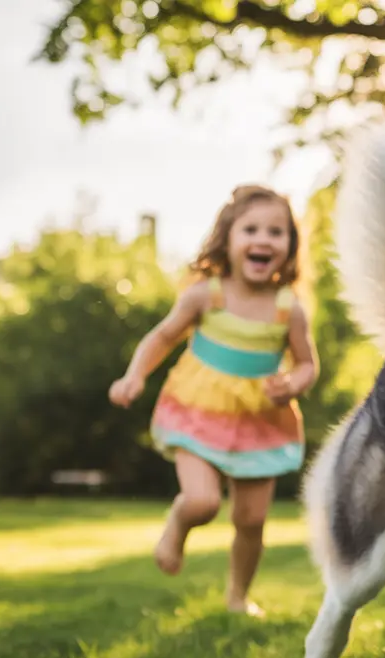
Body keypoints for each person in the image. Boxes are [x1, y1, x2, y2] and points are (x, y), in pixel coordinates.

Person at [109, 184, 318, 616]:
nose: (263, 239)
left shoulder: (288, 308)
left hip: (260, 421)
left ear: (290, 246)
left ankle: (238, 597)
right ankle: (178, 523)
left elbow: (307, 364)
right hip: (197, 412)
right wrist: (134, 376)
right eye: (252, 229)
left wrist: (294, 384)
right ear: (228, 239)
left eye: (276, 232)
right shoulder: (207, 294)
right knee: (203, 502)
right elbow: (163, 336)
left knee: (251, 521)